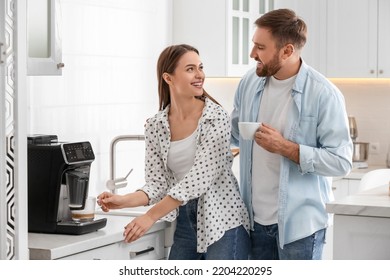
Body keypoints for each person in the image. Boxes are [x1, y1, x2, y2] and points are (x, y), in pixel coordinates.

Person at [98, 44, 250, 260]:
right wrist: (123, 200)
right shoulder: (155, 125)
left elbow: (198, 179)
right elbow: (156, 184)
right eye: (190, 69)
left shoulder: (216, 118)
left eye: (200, 67)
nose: (200, 75)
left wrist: (150, 216)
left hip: (224, 221)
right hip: (186, 221)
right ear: (168, 78)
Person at [230, 9, 353, 260]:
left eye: (260, 47)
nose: (252, 54)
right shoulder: (248, 82)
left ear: (287, 51)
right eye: (254, 45)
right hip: (252, 223)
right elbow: (233, 133)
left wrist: (286, 147)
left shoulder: (323, 94)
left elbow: (341, 162)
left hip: (300, 229)